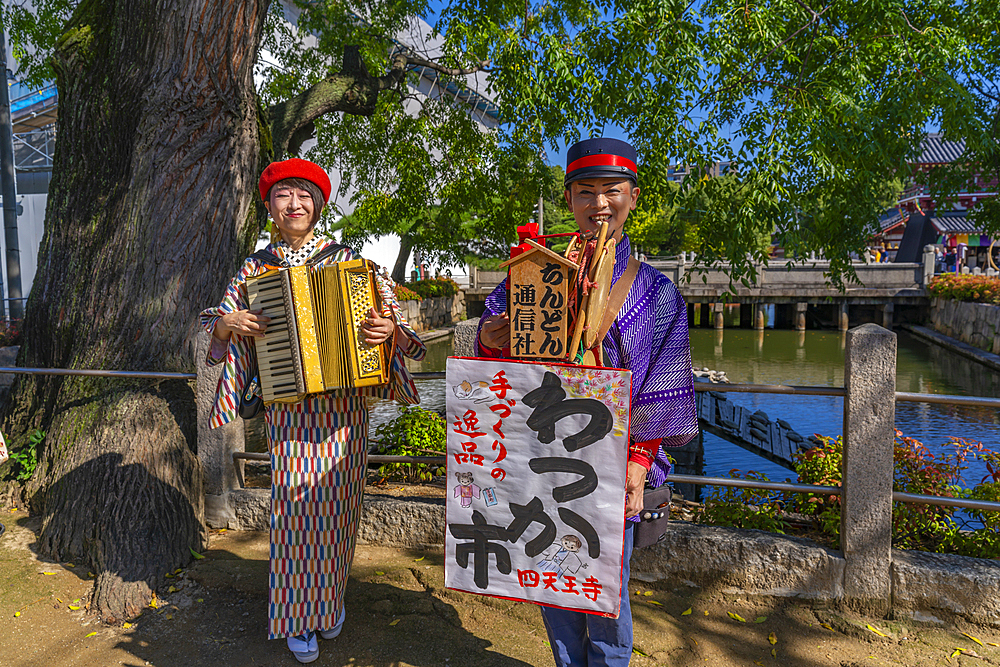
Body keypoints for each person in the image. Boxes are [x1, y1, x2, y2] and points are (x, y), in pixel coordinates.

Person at [477, 138, 698, 666]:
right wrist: (494, 333)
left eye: (611, 191)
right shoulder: (533, 274)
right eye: (586, 192)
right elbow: (492, 351)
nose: (599, 203)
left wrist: (640, 465)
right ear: (569, 201)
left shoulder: (655, 291)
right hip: (542, 445)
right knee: (551, 571)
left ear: (633, 198)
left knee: (603, 584)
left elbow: (664, 382)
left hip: (613, 455)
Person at [200, 158, 426, 664]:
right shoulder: (255, 268)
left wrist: (386, 333)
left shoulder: (351, 261)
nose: (294, 204)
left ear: (319, 206)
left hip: (344, 408)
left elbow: (394, 319)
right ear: (270, 208)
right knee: (297, 514)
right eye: (284, 196)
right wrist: (227, 323)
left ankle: (330, 604)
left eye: (304, 195)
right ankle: (300, 617)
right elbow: (214, 324)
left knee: (339, 512)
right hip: (289, 409)